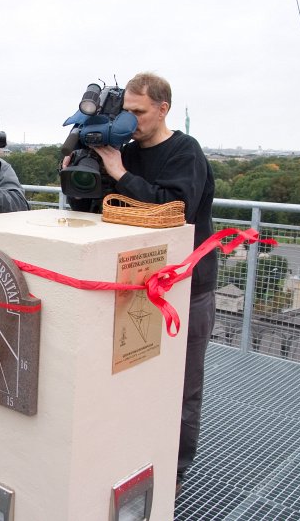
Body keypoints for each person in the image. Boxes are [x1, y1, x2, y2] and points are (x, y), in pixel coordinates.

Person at [65, 72, 217, 495]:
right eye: (126, 111)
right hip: (134, 284)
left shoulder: (185, 151)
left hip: (187, 286)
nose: (130, 121)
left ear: (163, 108)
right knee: (133, 378)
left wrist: (119, 170)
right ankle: (133, 453)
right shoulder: (124, 150)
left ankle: (176, 471)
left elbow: (175, 209)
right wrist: (79, 175)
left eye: (138, 112)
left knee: (184, 383)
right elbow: (97, 207)